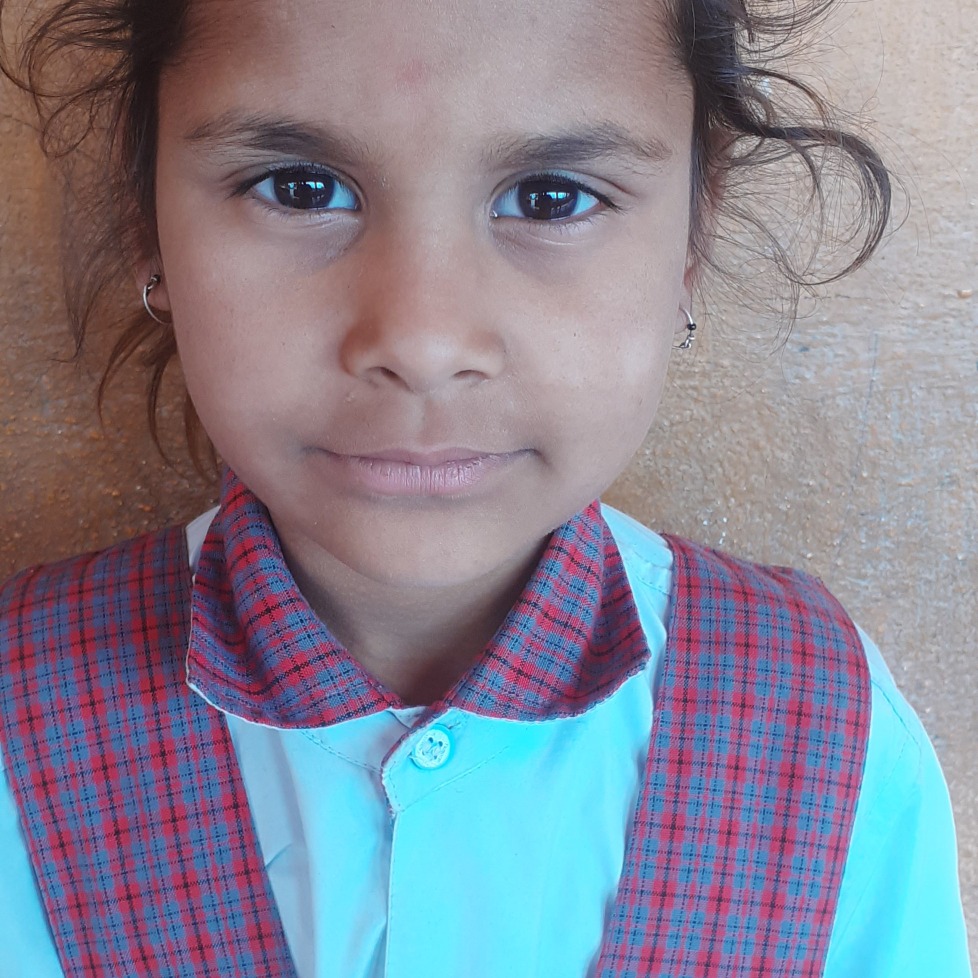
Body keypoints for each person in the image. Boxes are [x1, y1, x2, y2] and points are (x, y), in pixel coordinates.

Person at [0, 0, 971, 974]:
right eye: (300, 188)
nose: (422, 343)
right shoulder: (17, 729)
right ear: (148, 220)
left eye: (550, 198)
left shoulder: (824, 729)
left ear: (692, 236)